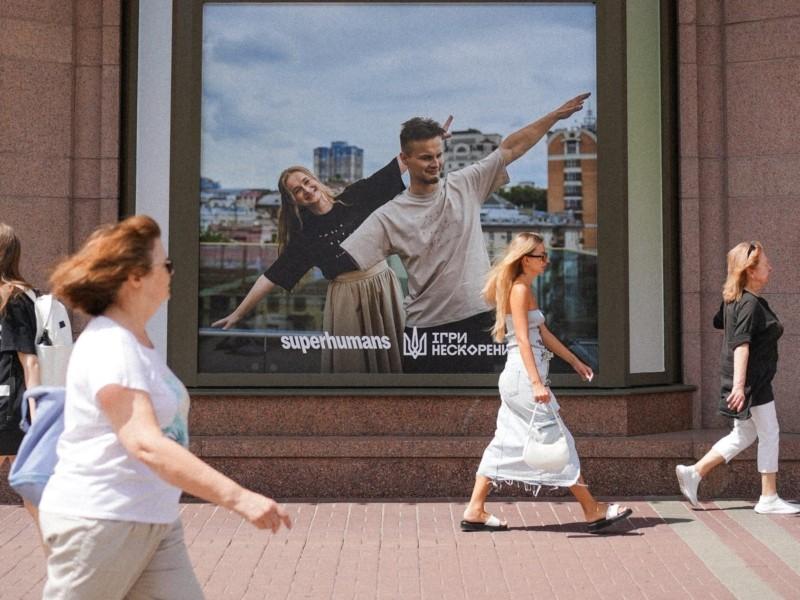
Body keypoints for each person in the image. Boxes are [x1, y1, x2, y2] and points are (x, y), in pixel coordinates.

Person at [39, 215, 291, 599]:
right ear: (136, 277)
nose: (173, 272)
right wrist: (238, 497)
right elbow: (144, 443)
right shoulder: (112, 346)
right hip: (101, 520)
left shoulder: (135, 341)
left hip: (153, 517)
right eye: (166, 264)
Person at [340, 94, 590, 373]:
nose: (435, 163)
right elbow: (345, 257)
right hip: (425, 330)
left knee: (477, 409)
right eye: (425, 158)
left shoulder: (465, 183)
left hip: (477, 320)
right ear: (405, 160)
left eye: (438, 155)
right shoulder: (389, 215)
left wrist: (554, 116)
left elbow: (510, 148)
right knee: (424, 412)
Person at [460, 232, 632, 533]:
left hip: (519, 379)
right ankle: (592, 510)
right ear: (526, 259)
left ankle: (475, 509)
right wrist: (537, 383)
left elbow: (543, 333)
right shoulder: (519, 290)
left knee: (505, 442)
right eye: (541, 255)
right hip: (524, 379)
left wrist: (575, 361)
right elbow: (524, 341)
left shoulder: (525, 288)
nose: (547, 260)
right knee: (559, 441)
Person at [211, 148, 425, 373]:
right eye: (297, 190)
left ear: (315, 179)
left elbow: (395, 168)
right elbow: (271, 276)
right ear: (293, 200)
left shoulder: (355, 197)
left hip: (382, 286)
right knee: (352, 366)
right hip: (347, 299)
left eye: (306, 181)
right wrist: (238, 313)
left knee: (392, 361)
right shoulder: (306, 234)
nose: (306, 189)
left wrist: (429, 141)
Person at [676, 241, 799, 514]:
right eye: (765, 263)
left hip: (749, 380)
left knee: (744, 434)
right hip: (751, 382)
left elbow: (721, 322)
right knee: (769, 433)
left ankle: (694, 472)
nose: (771, 267)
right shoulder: (750, 304)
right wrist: (741, 386)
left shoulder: (736, 300)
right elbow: (741, 344)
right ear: (751, 271)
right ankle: (768, 497)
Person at [0, 223, 40, 458]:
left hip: (8, 408)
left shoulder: (14, 299)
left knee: (29, 483)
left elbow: (30, 361)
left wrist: (36, 417)